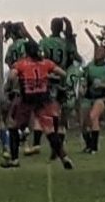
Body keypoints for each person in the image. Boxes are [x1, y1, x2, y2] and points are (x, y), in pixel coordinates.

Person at [2, 40, 73, 169]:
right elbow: (62, 73)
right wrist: (49, 79)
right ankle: (65, 158)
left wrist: (11, 85)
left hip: (27, 100)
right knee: (50, 131)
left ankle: (15, 159)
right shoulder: (46, 63)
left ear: (26, 51)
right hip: (43, 100)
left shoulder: (21, 64)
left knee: (13, 126)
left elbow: (12, 77)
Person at [32, 17, 78, 157]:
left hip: (48, 80)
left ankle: (38, 144)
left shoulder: (44, 42)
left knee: (43, 112)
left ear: (51, 27)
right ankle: (57, 146)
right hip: (62, 79)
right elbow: (72, 57)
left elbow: (39, 58)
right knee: (60, 113)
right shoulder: (65, 43)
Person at [82, 45, 105, 154]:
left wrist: (102, 85)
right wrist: (83, 85)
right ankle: (88, 145)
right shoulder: (90, 66)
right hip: (88, 97)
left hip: (100, 97)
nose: (98, 53)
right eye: (97, 50)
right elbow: (84, 79)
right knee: (84, 124)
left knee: (93, 117)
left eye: (101, 51)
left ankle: (94, 147)